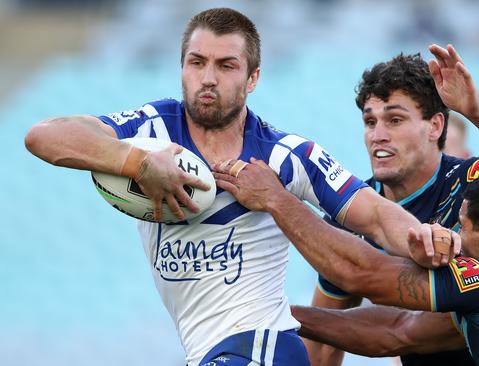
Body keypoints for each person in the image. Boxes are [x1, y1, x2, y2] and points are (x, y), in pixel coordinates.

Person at [23, 8, 440, 366]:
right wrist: (138, 162)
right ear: (181, 67)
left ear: (253, 77)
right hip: (208, 350)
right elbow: (45, 136)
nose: (208, 78)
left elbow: (377, 215)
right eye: (197, 62)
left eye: (226, 66)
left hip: (261, 344)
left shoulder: (284, 154)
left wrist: (423, 237)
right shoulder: (149, 130)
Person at [215, 168, 479, 366]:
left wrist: (277, 199)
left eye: (463, 227)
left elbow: (363, 275)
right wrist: (279, 315)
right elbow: (395, 331)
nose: (455, 236)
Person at [306, 46, 479, 365]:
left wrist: (477, 109)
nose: (378, 135)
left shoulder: (471, 182)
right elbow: (324, 339)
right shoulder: (350, 215)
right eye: (370, 122)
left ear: (435, 127)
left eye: (395, 119)